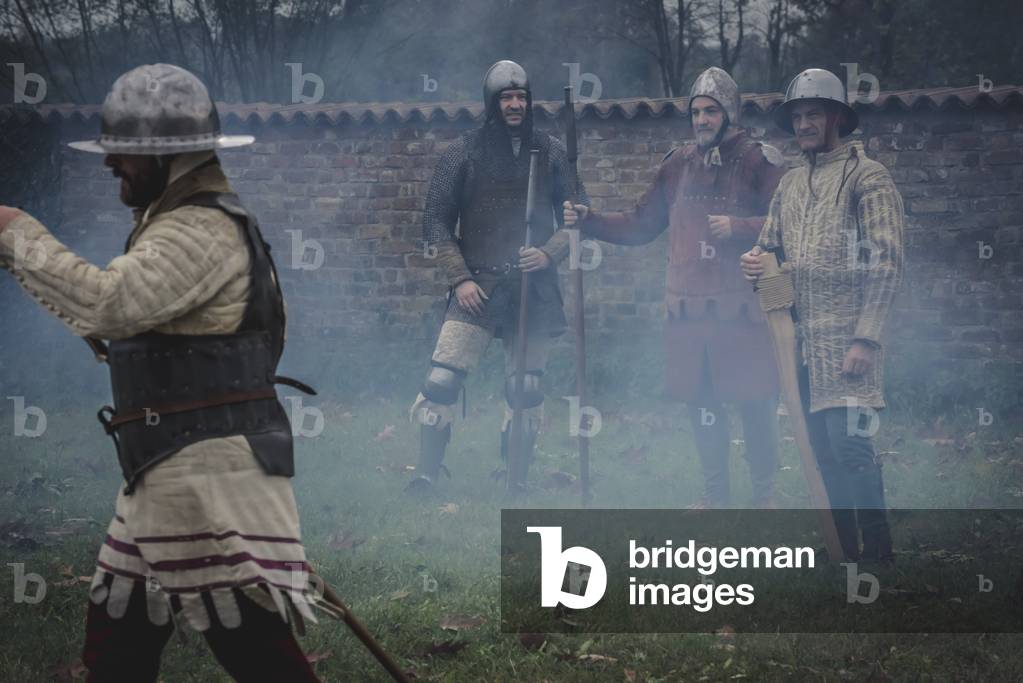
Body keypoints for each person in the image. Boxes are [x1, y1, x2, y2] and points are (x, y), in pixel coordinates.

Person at [0, 63, 324, 681]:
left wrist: (16, 234)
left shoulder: (199, 229)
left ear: (166, 156)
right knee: (117, 639)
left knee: (251, 645)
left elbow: (108, 304)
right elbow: (139, 329)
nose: (110, 165)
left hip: (206, 476)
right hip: (169, 466)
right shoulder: (175, 222)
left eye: (123, 153)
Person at [565, 67, 785, 508]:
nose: (702, 120)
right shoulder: (677, 164)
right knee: (701, 406)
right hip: (688, 311)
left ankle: (766, 496)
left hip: (743, 308)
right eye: (696, 112)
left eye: (711, 111)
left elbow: (790, 223)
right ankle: (715, 496)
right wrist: (588, 220)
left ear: (730, 113)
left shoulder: (760, 160)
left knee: (754, 402)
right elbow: (641, 224)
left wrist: (742, 227)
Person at [740, 68, 904, 562]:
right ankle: (844, 553)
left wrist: (866, 339)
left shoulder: (867, 177)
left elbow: (887, 261)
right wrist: (756, 266)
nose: (805, 124)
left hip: (850, 342)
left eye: (814, 114)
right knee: (822, 452)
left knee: (851, 449)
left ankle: (878, 556)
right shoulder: (789, 185)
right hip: (803, 347)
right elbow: (769, 253)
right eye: (798, 116)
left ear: (836, 118)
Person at [407, 60, 588, 494]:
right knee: (442, 380)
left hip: (532, 285)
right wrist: (460, 278)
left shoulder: (550, 153)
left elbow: (578, 216)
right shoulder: (463, 152)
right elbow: (435, 222)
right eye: (506, 97)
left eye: (521, 97)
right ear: (493, 103)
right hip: (478, 285)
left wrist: (550, 253)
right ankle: (428, 473)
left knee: (525, 388)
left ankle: (516, 476)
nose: (514, 104)